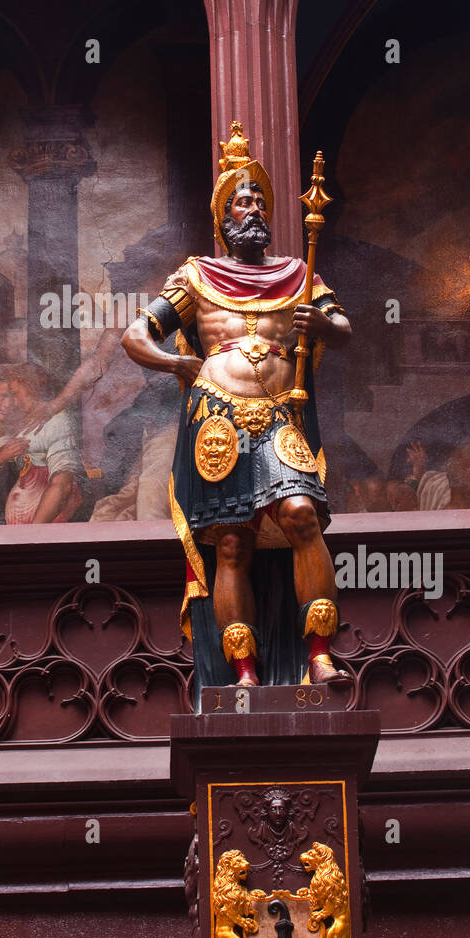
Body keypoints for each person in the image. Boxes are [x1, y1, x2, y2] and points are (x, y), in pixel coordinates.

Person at [121, 122, 351, 691]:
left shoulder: (297, 274)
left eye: (258, 202)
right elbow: (134, 336)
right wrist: (177, 364)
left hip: (277, 416)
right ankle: (243, 671)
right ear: (223, 221)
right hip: (217, 419)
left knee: (300, 513)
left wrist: (320, 322)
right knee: (230, 542)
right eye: (240, 202)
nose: (252, 210)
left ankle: (318, 654)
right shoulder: (195, 277)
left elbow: (344, 329)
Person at [0, 364, 86, 524]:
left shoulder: (57, 421)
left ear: (32, 385)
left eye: (15, 394)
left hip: (43, 529)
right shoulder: (24, 426)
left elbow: (62, 485)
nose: (12, 403)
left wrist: (35, 531)